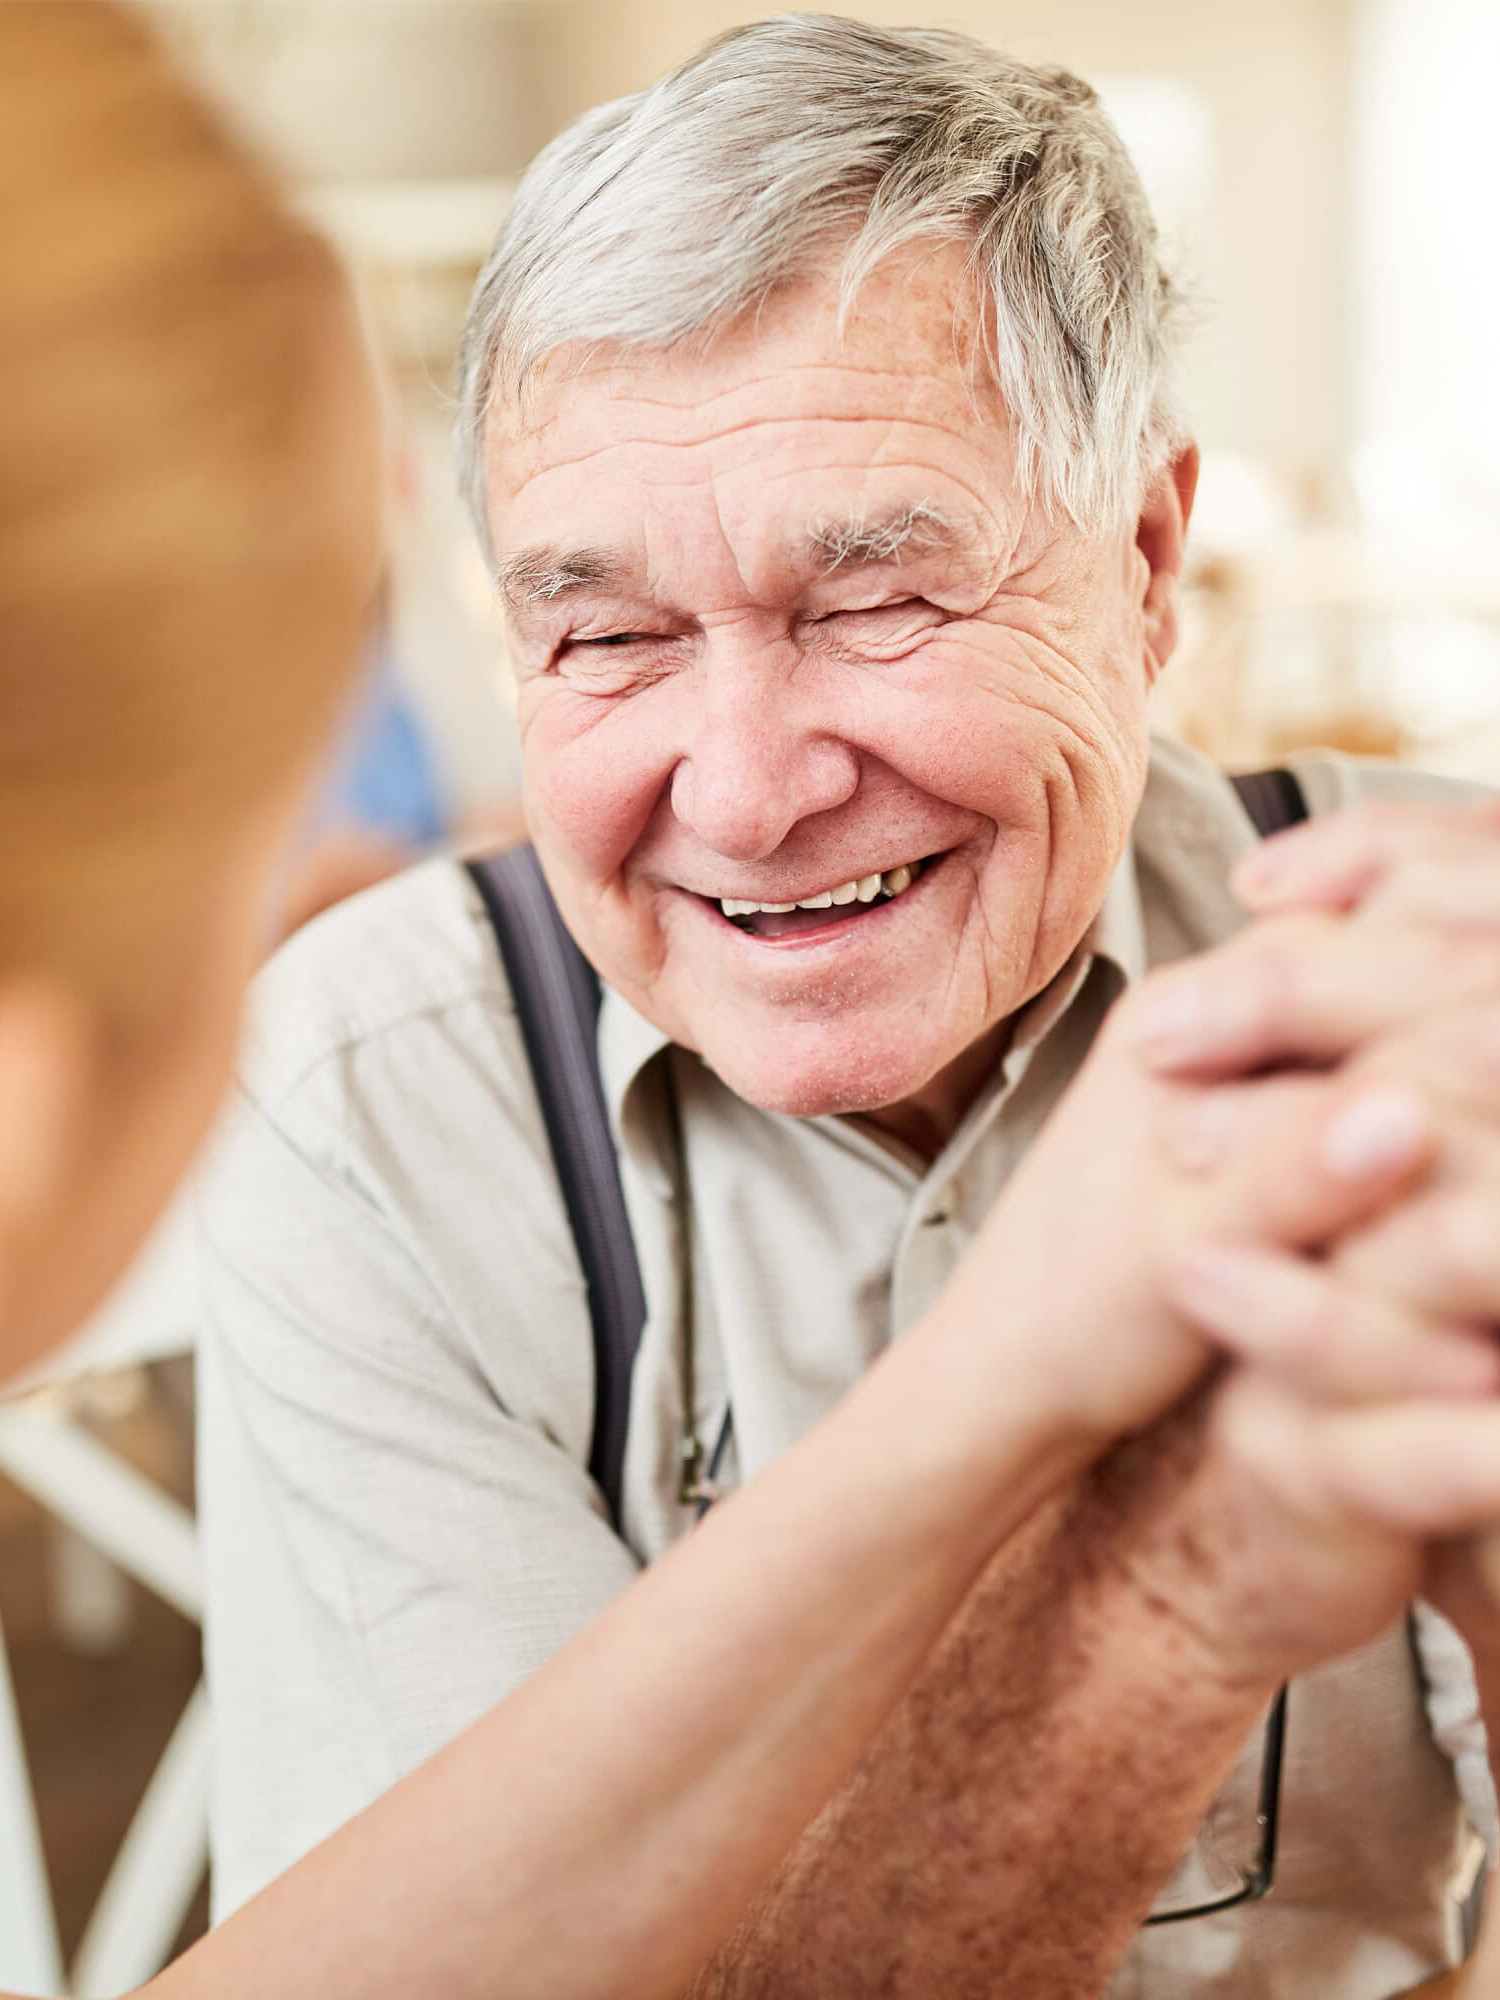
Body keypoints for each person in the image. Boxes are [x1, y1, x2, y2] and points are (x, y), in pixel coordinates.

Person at [14, 8, 1497, 1997]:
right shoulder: (387, 1091)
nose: (748, 788)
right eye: (609, 633)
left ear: (1146, 563)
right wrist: (1144, 1565)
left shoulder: (1436, 975)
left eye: (876, 600)